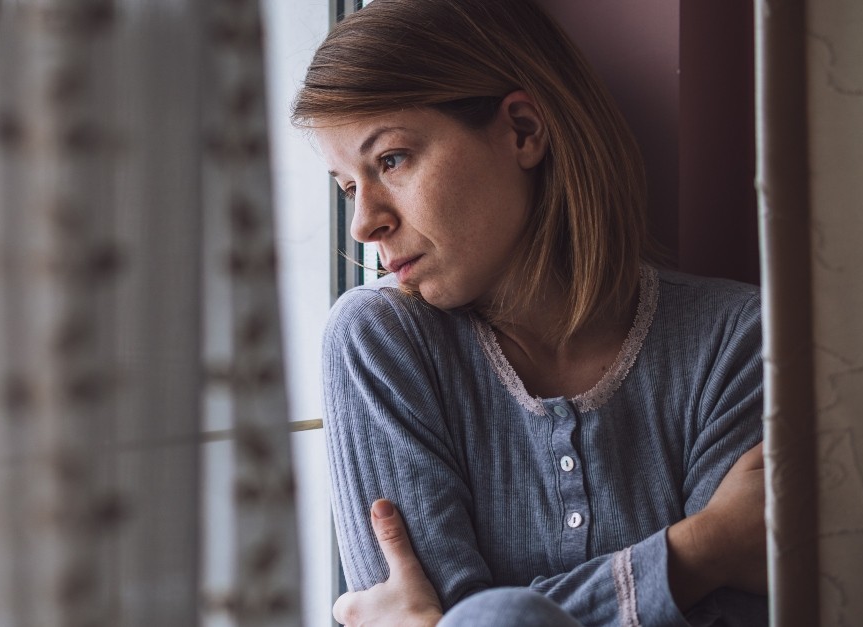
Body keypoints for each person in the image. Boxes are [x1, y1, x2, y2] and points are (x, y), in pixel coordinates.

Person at [291, 0, 768, 625]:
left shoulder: (735, 340)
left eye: (391, 159)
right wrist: (701, 550)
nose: (363, 223)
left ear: (522, 130)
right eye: (348, 186)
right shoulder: (377, 343)